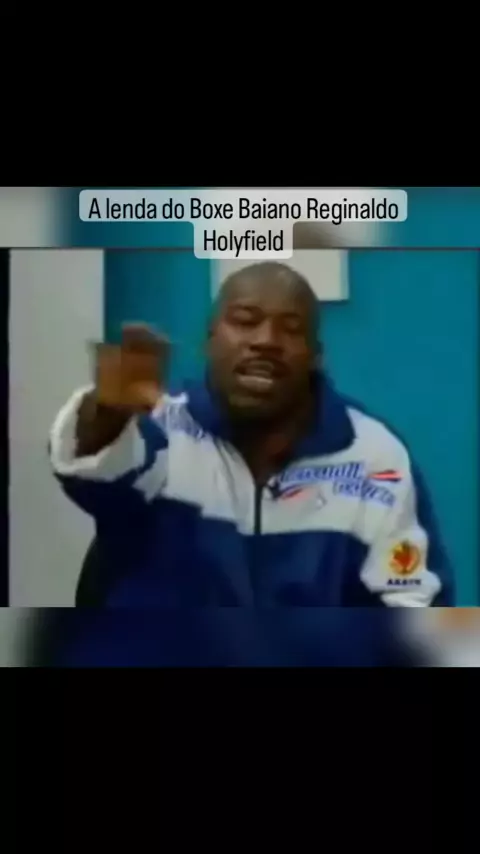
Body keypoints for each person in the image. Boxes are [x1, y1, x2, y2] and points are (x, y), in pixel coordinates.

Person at [49, 261, 454, 607]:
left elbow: (413, 602)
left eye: (290, 329)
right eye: (245, 321)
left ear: (316, 356)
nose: (265, 341)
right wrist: (107, 415)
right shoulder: (161, 427)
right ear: (209, 341)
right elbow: (94, 474)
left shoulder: (372, 456)